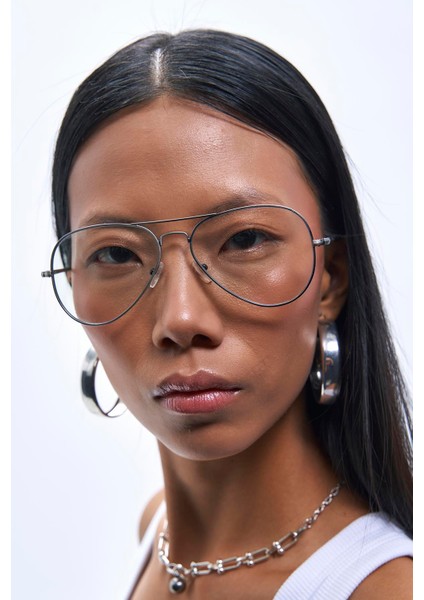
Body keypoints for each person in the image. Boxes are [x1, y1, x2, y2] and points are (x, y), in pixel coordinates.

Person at [42, 30, 412, 599]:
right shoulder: (157, 532)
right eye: (115, 254)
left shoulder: (385, 588)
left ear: (331, 277)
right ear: (74, 282)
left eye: (244, 240)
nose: (180, 319)